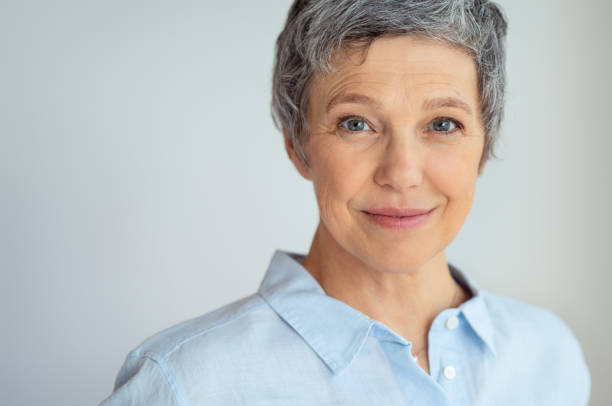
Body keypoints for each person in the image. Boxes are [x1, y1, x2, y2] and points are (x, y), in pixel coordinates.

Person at [99, 0, 591, 404]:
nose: (401, 173)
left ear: (485, 142)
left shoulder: (549, 357)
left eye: (443, 124)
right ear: (297, 143)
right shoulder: (186, 384)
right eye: (356, 123)